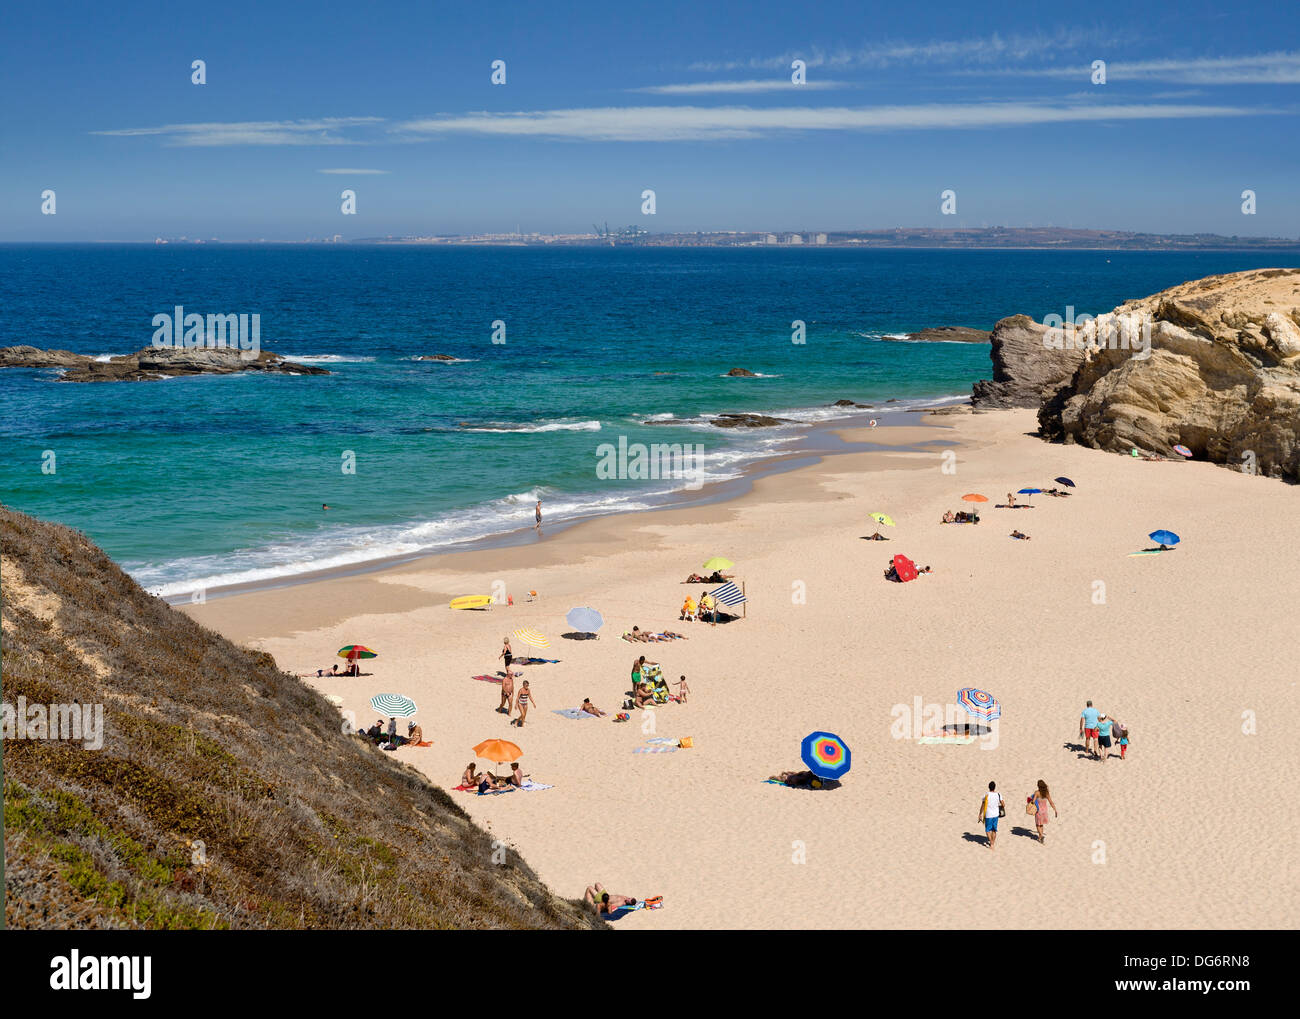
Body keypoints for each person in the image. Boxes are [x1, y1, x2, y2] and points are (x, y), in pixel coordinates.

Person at [1026, 779, 1058, 844]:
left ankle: (1041, 835)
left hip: (1039, 811)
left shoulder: (1037, 792)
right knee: (1042, 824)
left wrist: (1030, 800)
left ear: (1038, 786)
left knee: (1037, 824)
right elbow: (1051, 802)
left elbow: (1033, 801)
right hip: (1045, 811)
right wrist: (1055, 809)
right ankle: (1040, 838)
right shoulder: (1046, 792)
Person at [979, 780, 1003, 849]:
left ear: (988, 787)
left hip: (988, 815)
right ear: (994, 787)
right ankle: (992, 843)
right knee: (994, 830)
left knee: (987, 830)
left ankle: (991, 843)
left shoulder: (986, 795)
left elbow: (983, 805)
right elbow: (1003, 804)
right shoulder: (998, 794)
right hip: (996, 814)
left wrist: (980, 814)